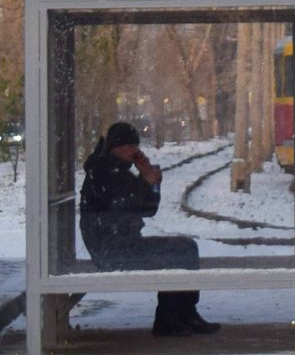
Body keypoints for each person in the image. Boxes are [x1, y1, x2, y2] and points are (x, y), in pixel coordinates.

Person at [79, 121, 220, 337]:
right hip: (111, 250)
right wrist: (144, 182)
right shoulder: (102, 171)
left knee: (184, 248)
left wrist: (152, 182)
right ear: (115, 146)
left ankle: (185, 313)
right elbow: (119, 204)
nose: (134, 150)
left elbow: (147, 209)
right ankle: (168, 319)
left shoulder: (119, 171)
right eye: (128, 145)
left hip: (122, 245)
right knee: (178, 253)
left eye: (135, 144)